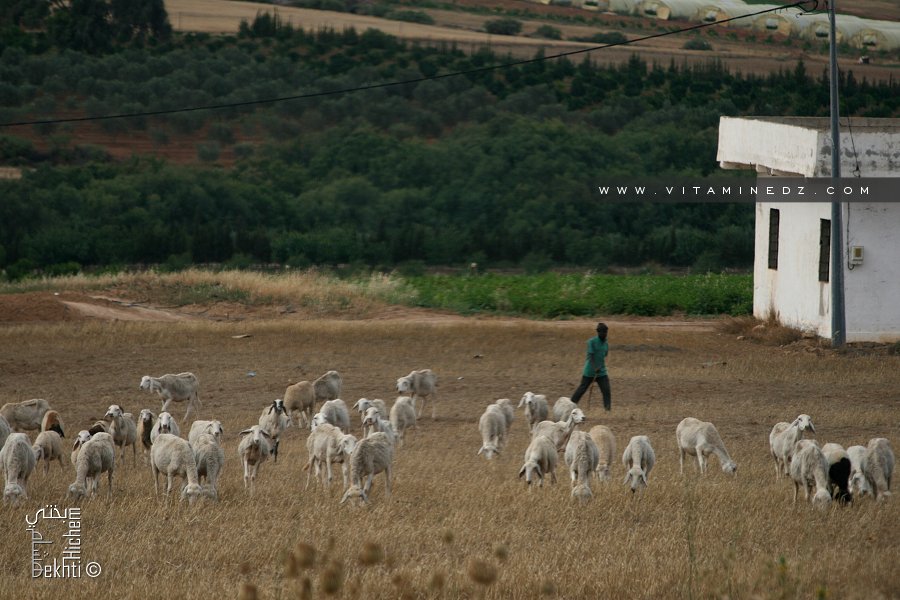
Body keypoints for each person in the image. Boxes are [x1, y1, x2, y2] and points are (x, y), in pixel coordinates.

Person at [570, 322, 611, 411]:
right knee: (582, 389)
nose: (605, 334)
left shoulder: (606, 343)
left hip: (602, 372)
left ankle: (608, 410)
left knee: (606, 390)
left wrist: (599, 368)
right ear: (598, 332)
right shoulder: (591, 342)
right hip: (589, 371)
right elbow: (590, 356)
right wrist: (595, 367)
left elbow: (604, 355)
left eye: (606, 332)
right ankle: (570, 406)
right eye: (603, 332)